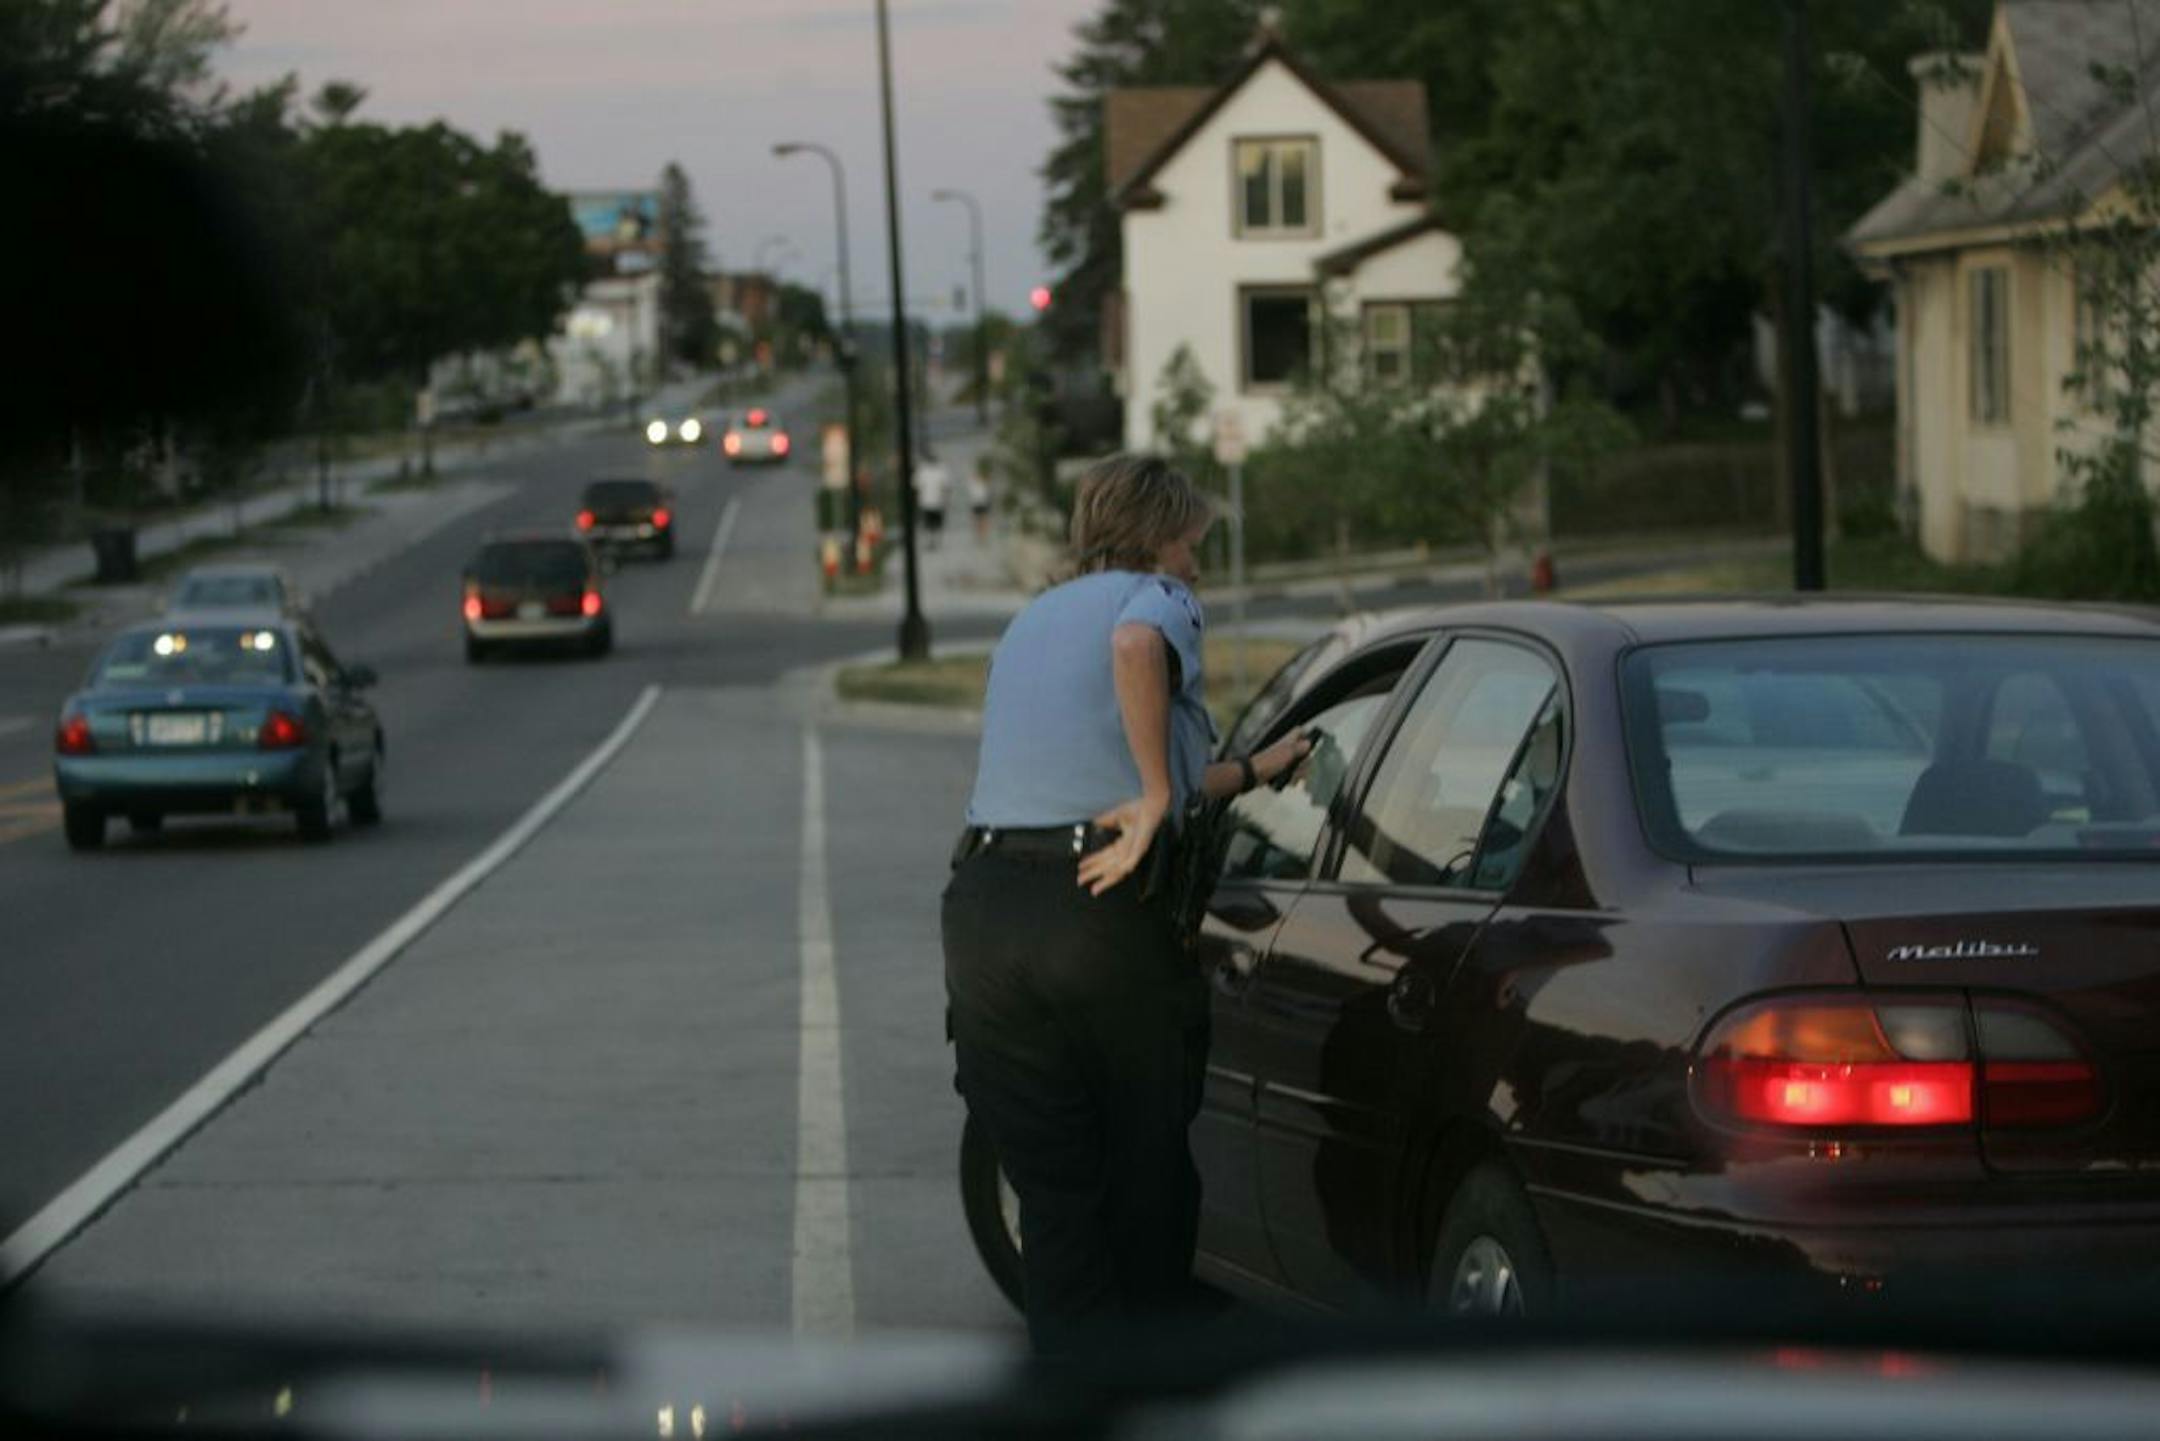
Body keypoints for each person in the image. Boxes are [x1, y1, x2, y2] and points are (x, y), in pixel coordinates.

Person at [942, 454, 1310, 1357]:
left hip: (985, 912)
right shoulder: (1153, 598)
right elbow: (1136, 652)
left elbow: (1150, 770)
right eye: (1191, 542)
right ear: (1154, 536)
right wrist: (1152, 795)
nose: (1197, 564)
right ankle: (1147, 1395)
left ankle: (1073, 1400)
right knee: (1148, 1188)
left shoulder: (1030, 620)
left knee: (1058, 1200)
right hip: (1094, 909)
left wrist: (1256, 769)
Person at [914, 448, 950, 551]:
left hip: (928, 501)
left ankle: (932, 541)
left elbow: (917, 487)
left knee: (929, 522)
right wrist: (946, 500)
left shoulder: (923, 470)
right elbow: (946, 487)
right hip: (934, 501)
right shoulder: (939, 470)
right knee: (934, 522)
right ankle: (933, 540)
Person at [967, 458, 993, 544]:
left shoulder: (985, 479)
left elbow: (989, 488)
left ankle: (983, 537)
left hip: (983, 501)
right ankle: (979, 536)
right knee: (977, 520)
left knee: (983, 520)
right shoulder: (973, 480)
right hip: (976, 501)